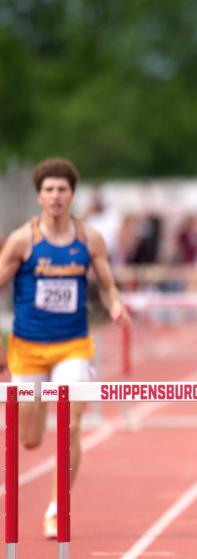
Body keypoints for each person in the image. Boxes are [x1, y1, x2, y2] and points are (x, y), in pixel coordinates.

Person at [0, 157, 131, 538]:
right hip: (27, 348)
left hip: (74, 344)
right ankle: (34, 416)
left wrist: (116, 305)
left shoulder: (89, 239)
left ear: (72, 195)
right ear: (40, 196)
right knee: (29, 439)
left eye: (62, 189)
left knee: (71, 424)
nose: (56, 196)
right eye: (49, 190)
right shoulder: (23, 240)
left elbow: (107, 284)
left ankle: (58, 507)